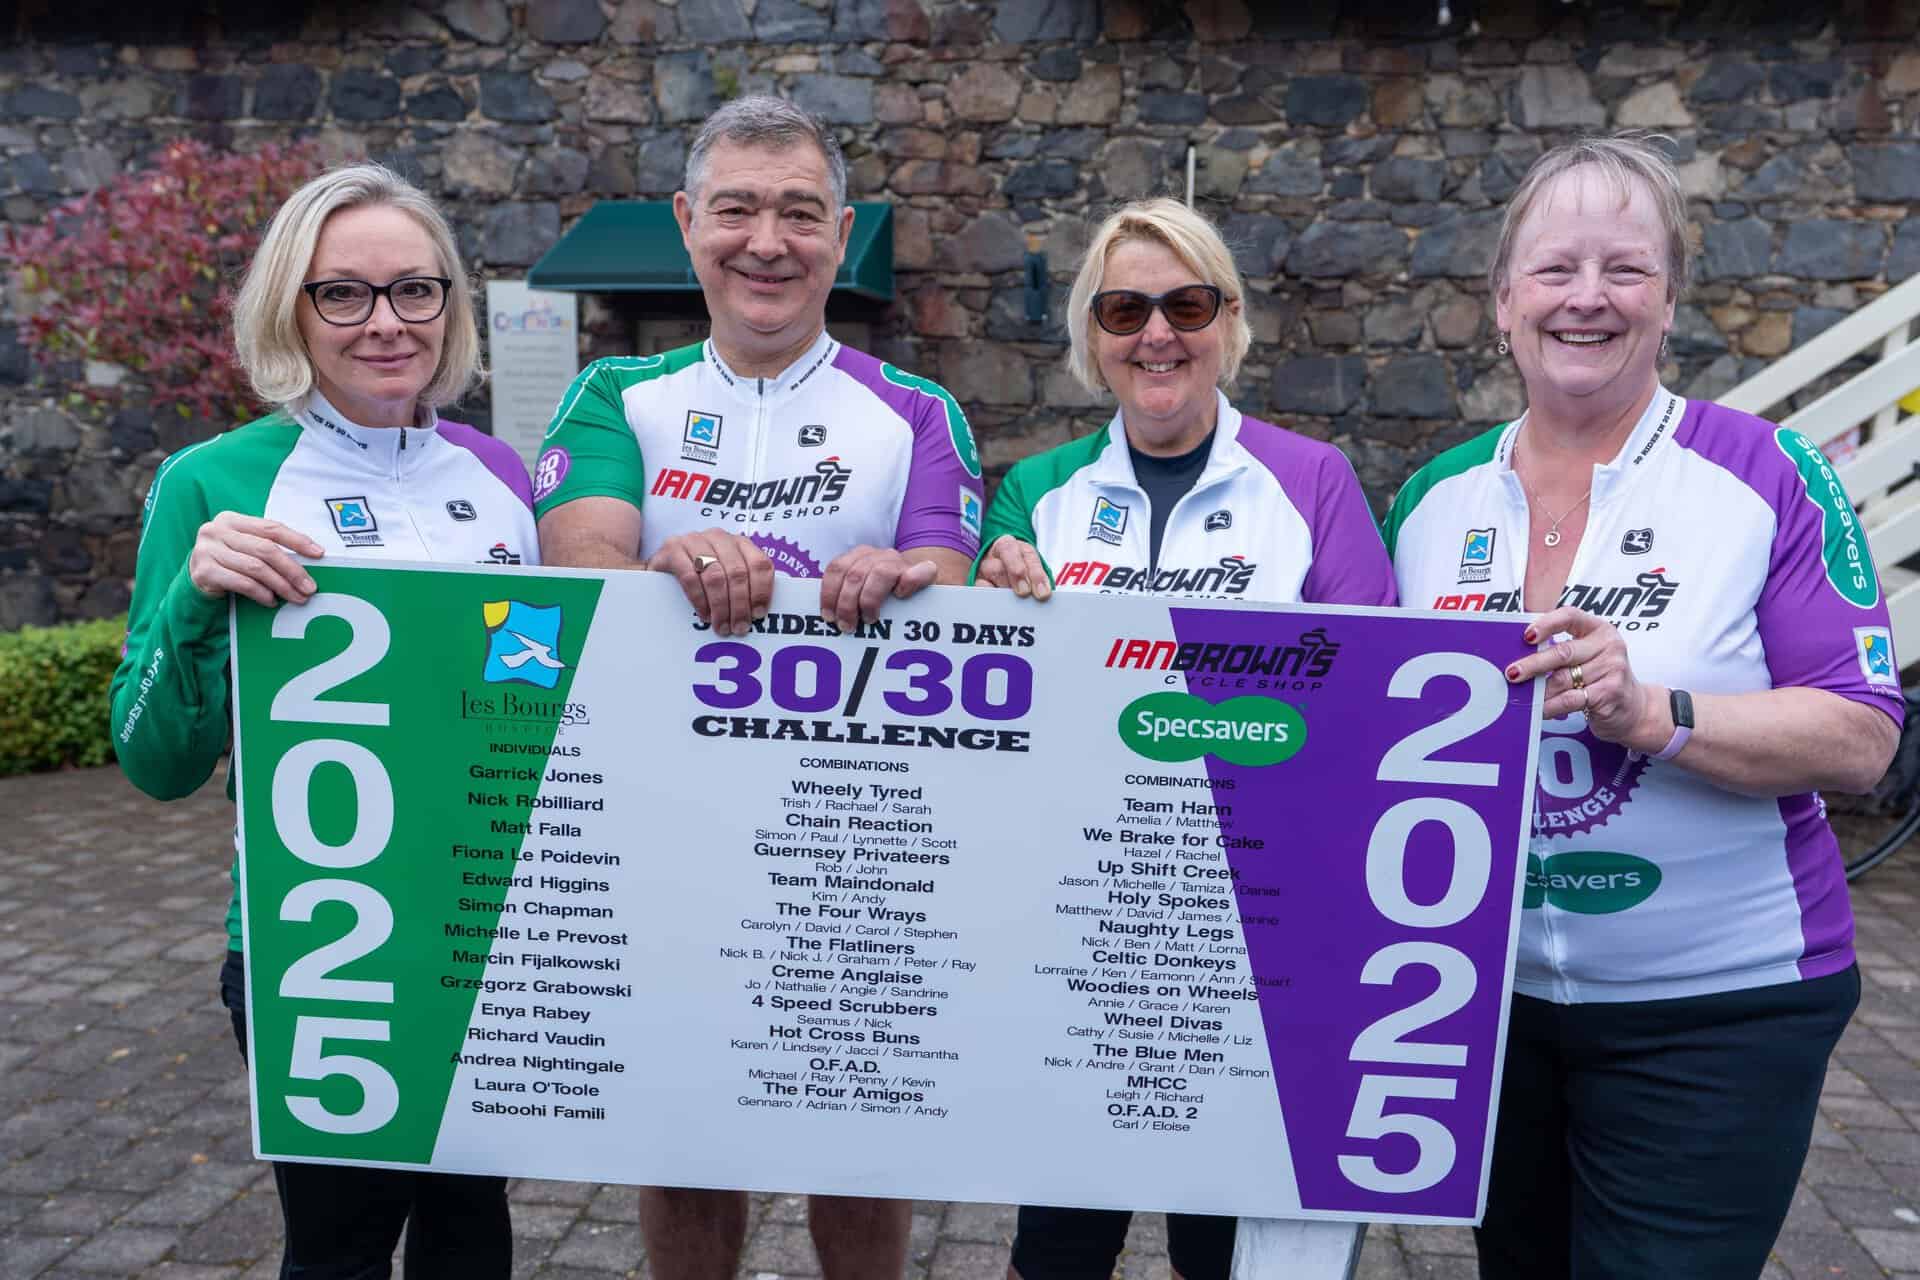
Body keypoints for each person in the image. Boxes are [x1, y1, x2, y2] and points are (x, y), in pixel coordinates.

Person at [1384, 134, 1902, 1278]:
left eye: (1626, 268)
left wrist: (1656, 711)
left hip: (1719, 1010)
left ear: (1669, 302)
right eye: (1555, 267)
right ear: (1503, 300)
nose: (1588, 296)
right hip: (1481, 1003)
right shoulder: (1428, 500)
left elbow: (1863, 736)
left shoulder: (1769, 472)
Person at [533, 95, 983, 1280]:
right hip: (666, 832)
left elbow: (949, 589)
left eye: (798, 212)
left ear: (843, 232)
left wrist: (906, 577)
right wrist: (660, 564)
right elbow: (578, 570)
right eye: (736, 210)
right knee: (684, 1144)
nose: (766, 242)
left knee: (860, 1148)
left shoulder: (918, 411)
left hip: (857, 831)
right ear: (689, 223)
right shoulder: (614, 395)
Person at [109, 162, 533, 1278]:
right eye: (343, 292)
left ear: (450, 303)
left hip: (487, 931)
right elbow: (155, 761)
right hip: (318, 945)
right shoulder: (213, 482)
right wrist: (193, 601)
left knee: (471, 1232)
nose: (387, 321)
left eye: (415, 289)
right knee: (339, 1246)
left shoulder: (500, 474)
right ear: (289, 309)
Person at [976, 198, 1397, 1280]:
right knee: (1056, 1250)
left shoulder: (1311, 480)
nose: (1157, 333)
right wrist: (987, 596)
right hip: (1085, 924)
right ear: (1093, 335)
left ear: (1230, 320)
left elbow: (1371, 706)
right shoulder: (1036, 492)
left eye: (1186, 305)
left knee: (1221, 1254)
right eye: (1126, 309)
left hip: (1254, 934)